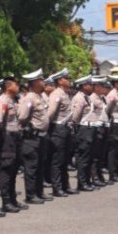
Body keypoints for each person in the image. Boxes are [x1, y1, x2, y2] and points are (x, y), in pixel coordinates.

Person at [18, 68, 52, 204]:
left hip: (41, 136)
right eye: (41, 80)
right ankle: (30, 195)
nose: (43, 82)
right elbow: (22, 116)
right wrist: (29, 126)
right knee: (31, 167)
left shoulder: (40, 97)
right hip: (32, 137)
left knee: (39, 166)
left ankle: (39, 192)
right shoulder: (30, 98)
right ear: (35, 82)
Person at [0, 76, 26, 213]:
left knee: (13, 170)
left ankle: (12, 200)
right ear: (8, 87)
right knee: (6, 169)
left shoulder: (12, 100)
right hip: (7, 138)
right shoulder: (2, 101)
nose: (18, 87)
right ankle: (6, 201)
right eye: (15, 85)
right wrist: (3, 139)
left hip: (15, 137)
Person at [47, 68, 75, 197]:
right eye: (66, 78)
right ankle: (57, 188)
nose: (69, 80)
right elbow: (51, 113)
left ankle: (65, 185)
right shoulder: (56, 94)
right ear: (60, 80)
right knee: (57, 159)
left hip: (66, 129)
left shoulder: (65, 93)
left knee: (65, 159)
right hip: (58, 128)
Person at [105, 76, 118, 182]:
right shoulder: (112, 95)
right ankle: (113, 174)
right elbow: (107, 110)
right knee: (114, 150)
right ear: (116, 84)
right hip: (115, 124)